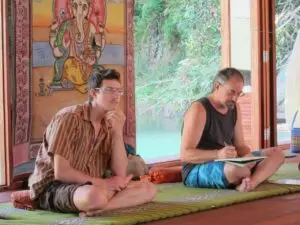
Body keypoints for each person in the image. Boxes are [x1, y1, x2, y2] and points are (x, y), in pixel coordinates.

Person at [28, 69, 157, 217]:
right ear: (93, 93)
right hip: (54, 187)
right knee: (93, 196)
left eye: (118, 91)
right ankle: (100, 203)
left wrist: (117, 132)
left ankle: (102, 208)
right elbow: (61, 173)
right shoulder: (69, 118)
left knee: (148, 189)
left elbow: (120, 172)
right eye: (109, 90)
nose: (116, 96)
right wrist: (104, 184)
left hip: (91, 185)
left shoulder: (110, 123)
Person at [180, 67, 285, 192]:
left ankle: (251, 183)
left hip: (230, 162)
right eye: (231, 92)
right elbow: (185, 154)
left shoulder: (234, 108)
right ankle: (251, 176)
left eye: (239, 93)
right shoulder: (199, 109)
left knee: (277, 153)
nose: (235, 98)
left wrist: (248, 156)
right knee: (238, 170)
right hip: (197, 169)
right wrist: (218, 154)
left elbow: (240, 146)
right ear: (217, 86)